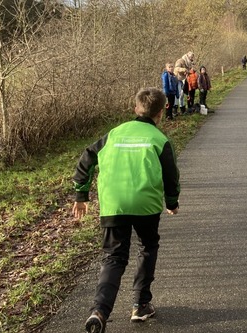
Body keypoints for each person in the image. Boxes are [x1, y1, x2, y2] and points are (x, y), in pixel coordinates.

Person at [72, 87, 180, 333]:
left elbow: (87, 158)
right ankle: (140, 304)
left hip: (114, 204)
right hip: (146, 205)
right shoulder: (160, 139)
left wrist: (81, 195)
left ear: (135, 109)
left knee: (114, 257)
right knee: (147, 247)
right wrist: (172, 202)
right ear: (161, 112)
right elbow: (171, 174)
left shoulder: (113, 134)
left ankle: (99, 311)